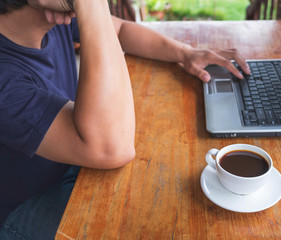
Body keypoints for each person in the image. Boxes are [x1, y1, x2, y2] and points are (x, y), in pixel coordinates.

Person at [0, 0, 250, 239]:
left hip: (78, 167)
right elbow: (113, 147)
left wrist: (184, 53)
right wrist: (92, 4)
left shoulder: (48, 21)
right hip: (25, 211)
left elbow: (119, 29)